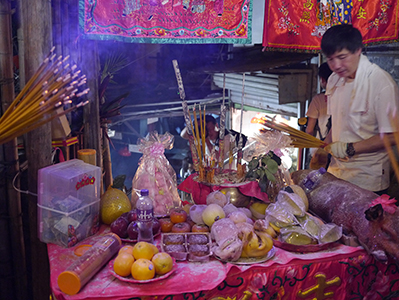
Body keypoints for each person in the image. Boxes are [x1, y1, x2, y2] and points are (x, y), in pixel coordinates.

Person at [321, 24, 399, 194]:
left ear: (358, 50)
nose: (336, 65)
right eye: (330, 59)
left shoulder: (381, 84)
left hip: (367, 180)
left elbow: (393, 136)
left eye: (342, 57)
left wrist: (350, 148)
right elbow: (338, 120)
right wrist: (323, 146)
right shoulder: (334, 79)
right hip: (335, 173)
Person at [306, 62, 333, 169]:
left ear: (322, 80)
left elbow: (309, 130)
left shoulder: (318, 100)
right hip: (339, 149)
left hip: (320, 149)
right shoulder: (344, 98)